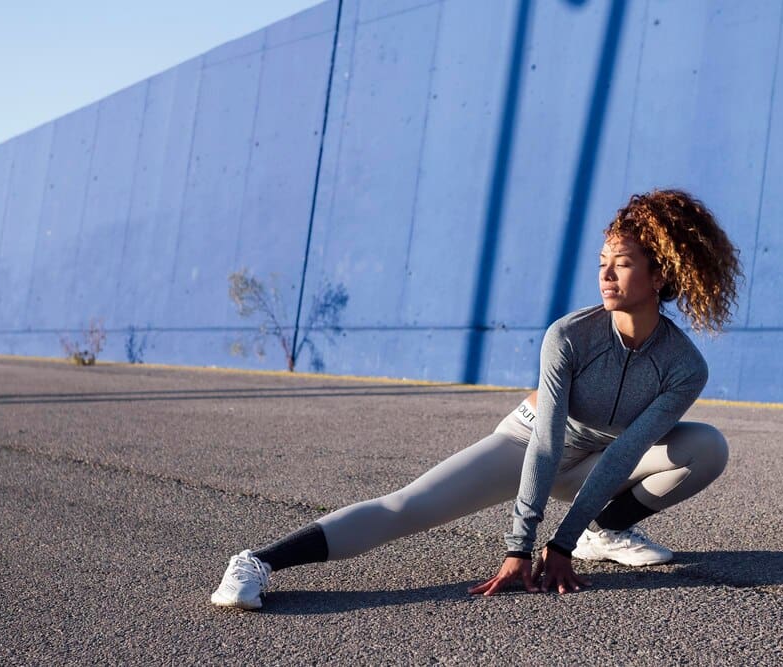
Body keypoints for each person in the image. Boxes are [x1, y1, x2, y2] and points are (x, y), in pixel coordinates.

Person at [212, 189, 742, 609]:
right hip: (529, 441)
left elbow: (626, 454)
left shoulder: (684, 366)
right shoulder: (569, 336)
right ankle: (258, 562)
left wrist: (563, 543)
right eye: (602, 261)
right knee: (406, 507)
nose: (604, 275)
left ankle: (604, 532)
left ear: (661, 274)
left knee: (706, 446)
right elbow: (545, 444)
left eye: (621, 264)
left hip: (602, 459)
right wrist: (521, 545)